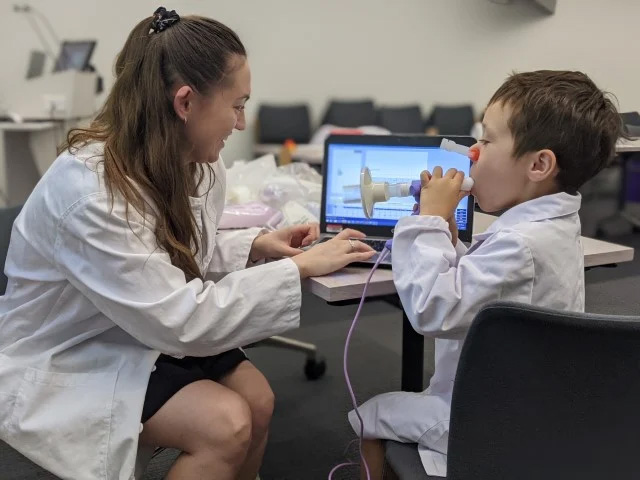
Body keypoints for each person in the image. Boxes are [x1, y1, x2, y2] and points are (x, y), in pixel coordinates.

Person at [0, 8, 375, 480]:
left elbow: (171, 255)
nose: (241, 123)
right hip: (74, 345)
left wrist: (255, 246)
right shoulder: (92, 192)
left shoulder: (195, 161)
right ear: (185, 103)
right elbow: (178, 317)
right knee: (226, 425)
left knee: (258, 400)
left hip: (137, 318)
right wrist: (298, 269)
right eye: (237, 105)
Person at [350, 70, 625, 479]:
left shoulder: (521, 243)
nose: (472, 154)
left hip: (493, 419)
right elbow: (489, 287)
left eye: (486, 139)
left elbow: (433, 311)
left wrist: (425, 222)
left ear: (539, 164)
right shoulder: (547, 226)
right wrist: (448, 240)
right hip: (532, 399)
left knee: (365, 417)